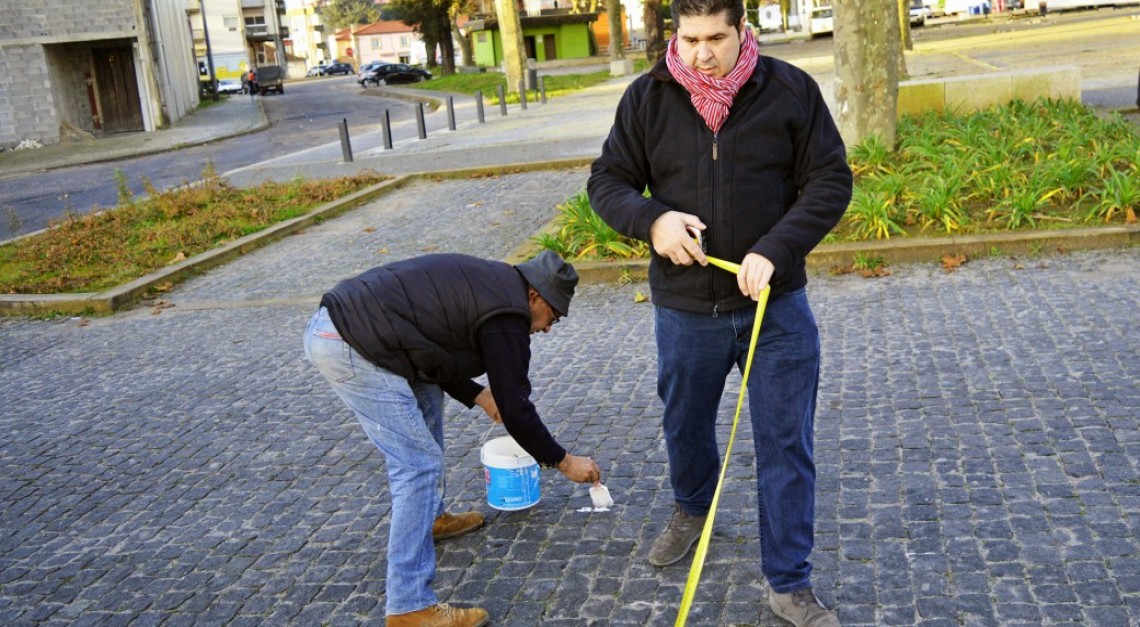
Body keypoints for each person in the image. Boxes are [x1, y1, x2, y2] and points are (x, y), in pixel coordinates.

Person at [586, 0, 853, 624]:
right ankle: (691, 507)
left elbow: (830, 181)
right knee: (685, 425)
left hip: (776, 310)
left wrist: (777, 248)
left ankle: (789, 582)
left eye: (716, 38)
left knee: (787, 444)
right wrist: (652, 220)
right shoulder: (646, 98)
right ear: (674, 33)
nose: (701, 54)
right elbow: (607, 181)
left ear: (742, 31)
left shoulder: (789, 89)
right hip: (684, 310)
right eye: (689, 38)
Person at [304, 251, 603, 627]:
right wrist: (563, 460)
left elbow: (431, 347)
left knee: (428, 399)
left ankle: (428, 517)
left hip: (359, 330)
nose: (547, 329)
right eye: (553, 317)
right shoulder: (507, 315)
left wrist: (478, 394)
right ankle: (409, 606)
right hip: (350, 343)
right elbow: (516, 407)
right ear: (534, 297)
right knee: (417, 465)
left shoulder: (495, 286)